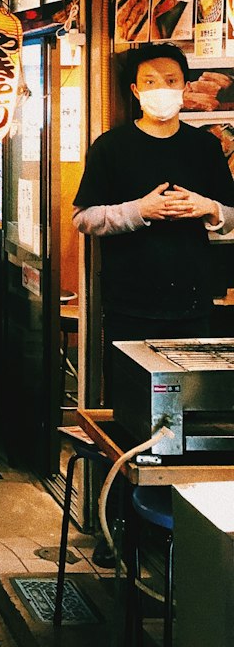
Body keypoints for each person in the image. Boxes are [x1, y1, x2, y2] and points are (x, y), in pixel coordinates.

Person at [73, 41, 234, 404]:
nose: (160, 88)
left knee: (191, 405)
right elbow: (83, 218)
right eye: (149, 81)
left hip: (193, 304)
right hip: (129, 305)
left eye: (170, 79)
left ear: (184, 87)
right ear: (135, 90)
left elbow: (231, 215)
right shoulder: (110, 147)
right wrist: (140, 211)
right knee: (129, 406)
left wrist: (207, 207)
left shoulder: (205, 147)